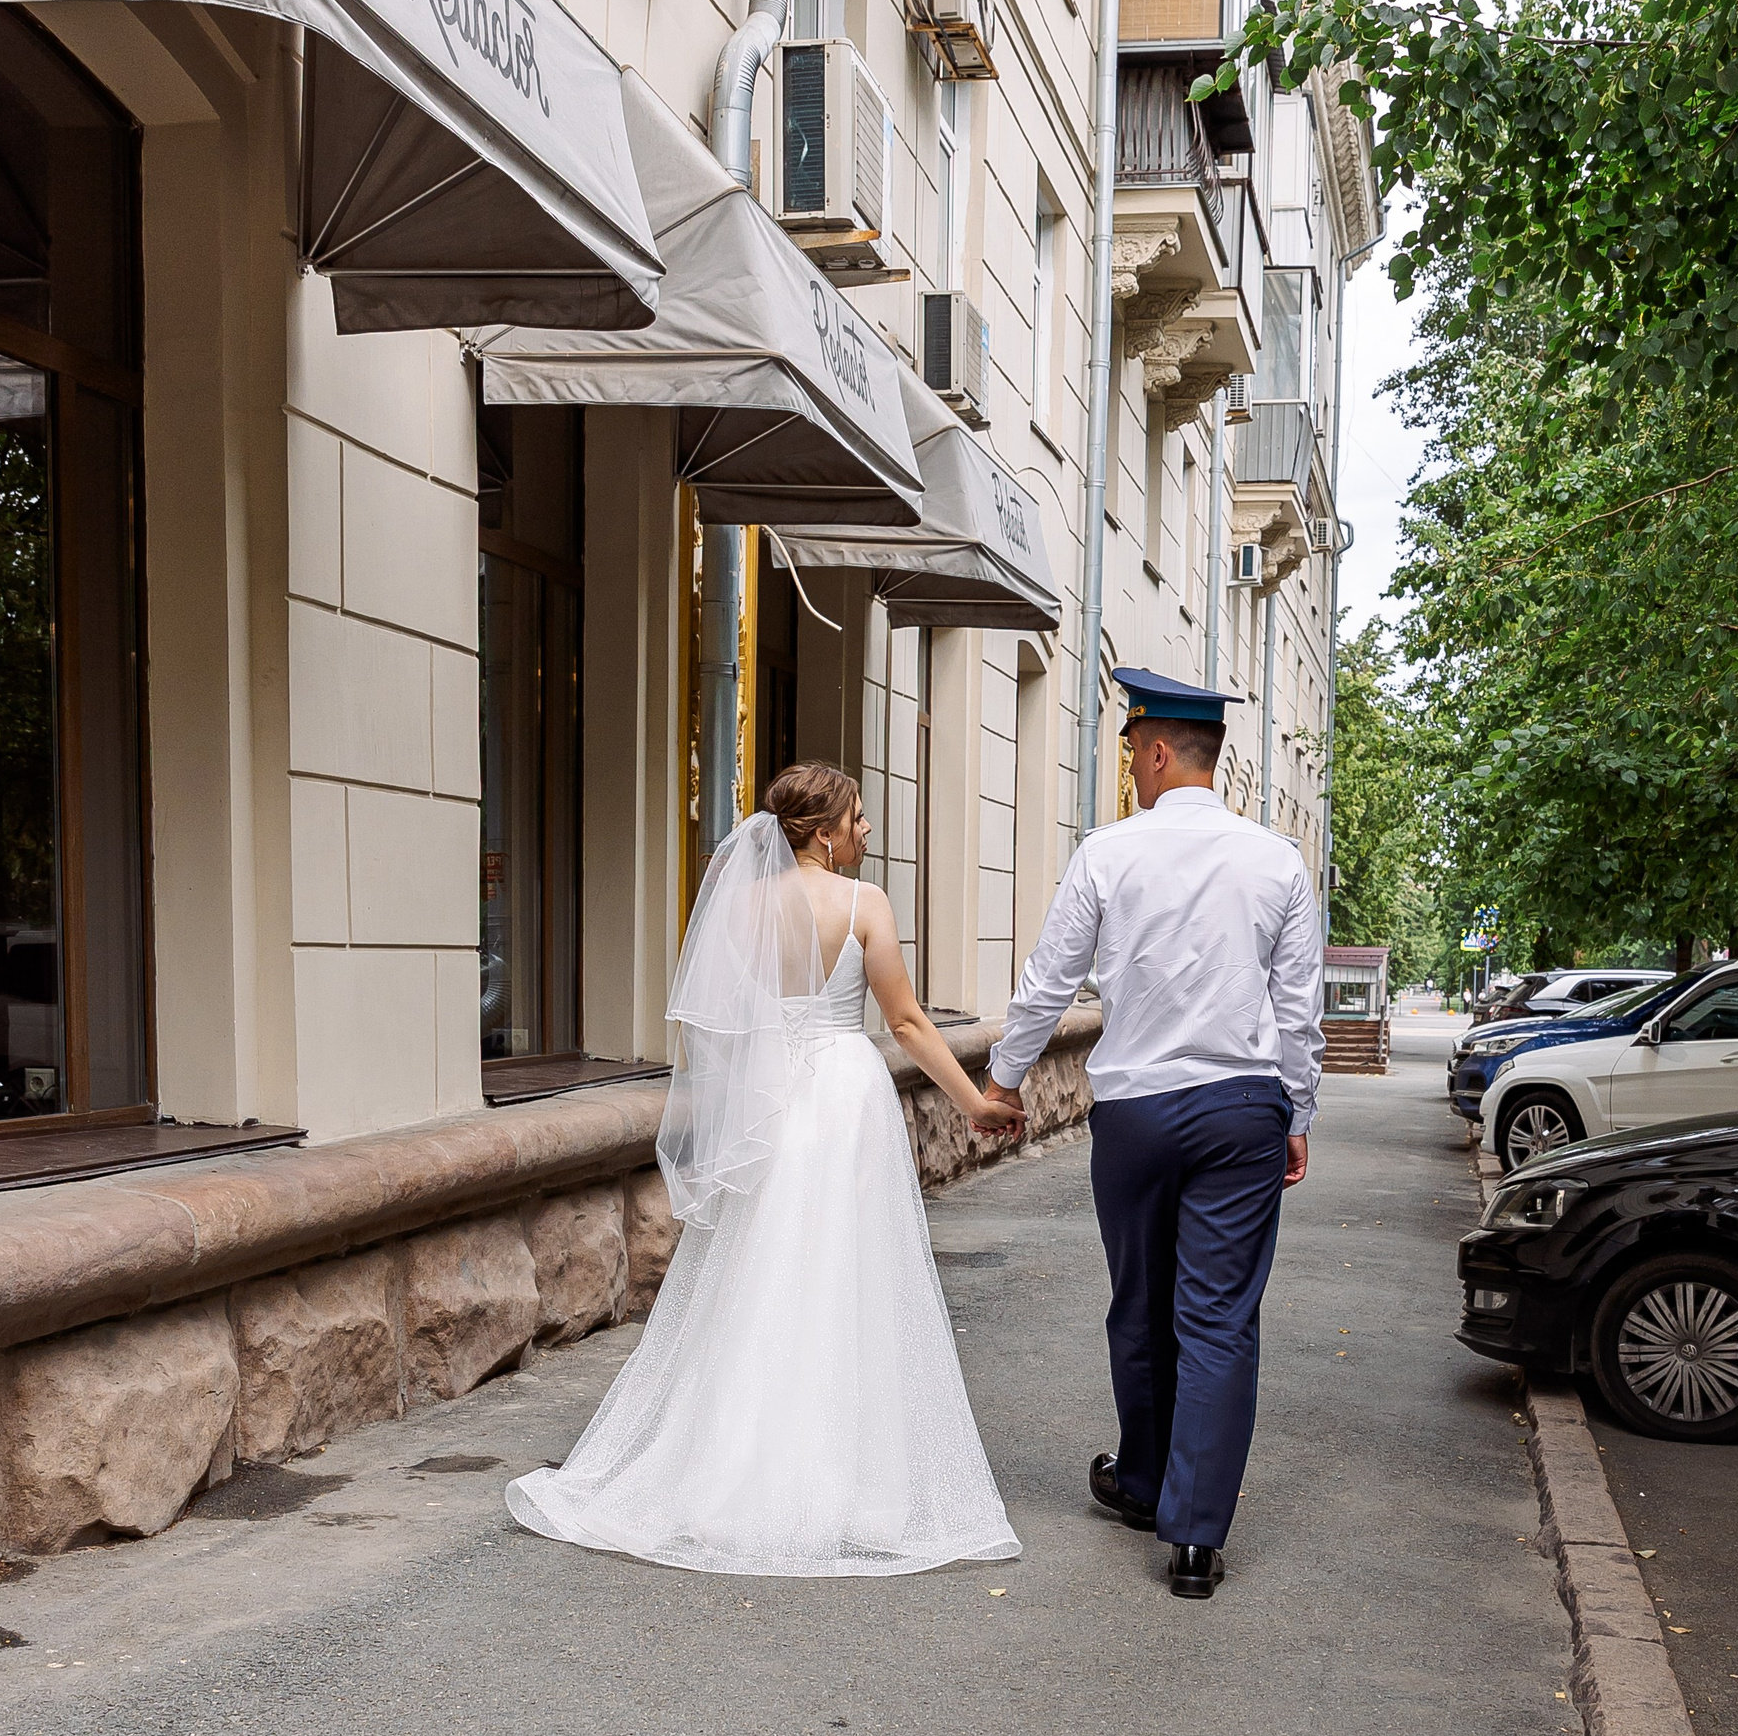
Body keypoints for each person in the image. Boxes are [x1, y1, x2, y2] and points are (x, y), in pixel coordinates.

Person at [507, 763, 1028, 1576]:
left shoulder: (744, 904)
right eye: (857, 818)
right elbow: (906, 1021)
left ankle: (733, 1475)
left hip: (772, 1104)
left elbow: (723, 1021)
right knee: (848, 1276)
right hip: (845, 1101)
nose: (865, 830)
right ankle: (855, 1484)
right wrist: (976, 1102)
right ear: (822, 831)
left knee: (764, 1274)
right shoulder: (864, 904)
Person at [981, 668, 1324, 1600]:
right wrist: (1297, 1114)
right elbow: (1297, 1010)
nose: (1129, 768)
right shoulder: (1278, 862)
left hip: (1135, 1113)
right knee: (1219, 1316)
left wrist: (1004, 1078)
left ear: (1161, 750)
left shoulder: (1107, 853)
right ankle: (1195, 1538)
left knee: (1140, 1301)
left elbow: (1050, 978)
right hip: (1241, 1109)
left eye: (1132, 751)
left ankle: (1141, 1482)